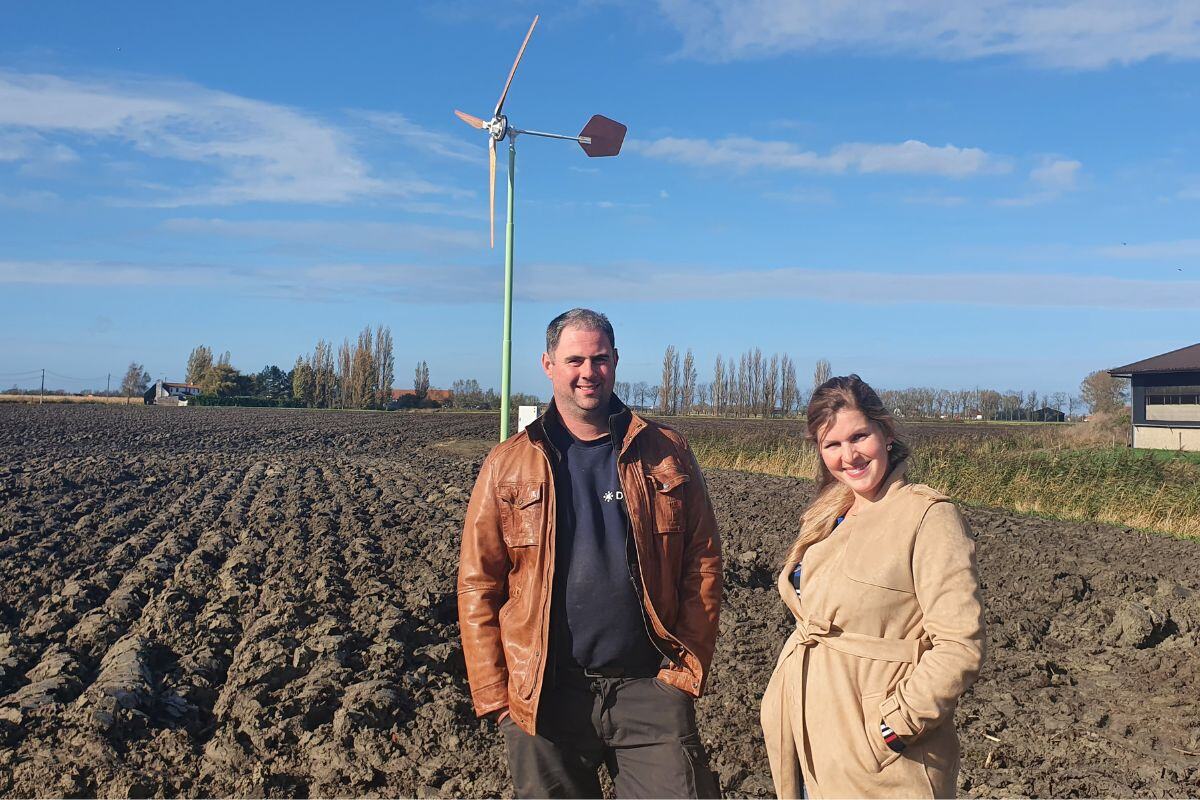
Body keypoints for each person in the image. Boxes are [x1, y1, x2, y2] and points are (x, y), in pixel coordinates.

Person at [458, 308, 723, 799]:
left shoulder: (664, 450)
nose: (588, 372)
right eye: (574, 359)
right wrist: (496, 695)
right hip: (547, 695)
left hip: (651, 689)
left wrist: (684, 671)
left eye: (599, 359)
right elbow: (479, 583)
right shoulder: (508, 463)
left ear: (616, 361)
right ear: (548, 364)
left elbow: (702, 561)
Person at [761, 375, 985, 799]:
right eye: (832, 445)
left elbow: (960, 645)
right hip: (814, 744)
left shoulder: (927, 516)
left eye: (859, 436)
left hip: (880, 763)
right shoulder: (832, 512)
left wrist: (894, 725)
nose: (849, 456)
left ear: (886, 432)